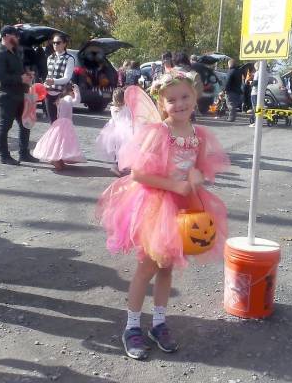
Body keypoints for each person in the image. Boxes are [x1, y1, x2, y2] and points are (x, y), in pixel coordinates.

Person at [96, 70, 229, 360]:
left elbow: (204, 168)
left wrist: (198, 176)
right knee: (147, 268)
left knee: (167, 267)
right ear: (161, 103)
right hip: (156, 206)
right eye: (171, 100)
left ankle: (158, 323)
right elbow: (139, 173)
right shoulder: (159, 133)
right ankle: (131, 327)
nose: (179, 104)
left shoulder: (199, 134)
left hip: (184, 206)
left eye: (185, 97)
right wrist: (175, 184)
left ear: (195, 97)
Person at [0, 25, 37, 165]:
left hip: (20, 94)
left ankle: (24, 153)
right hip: (6, 96)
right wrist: (20, 78)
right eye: (14, 35)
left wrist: (27, 75)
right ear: (5, 36)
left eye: (17, 36)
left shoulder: (15, 53)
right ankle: (4, 155)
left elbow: (18, 72)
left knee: (25, 124)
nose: (17, 38)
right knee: (5, 126)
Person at [33, 83, 86, 170]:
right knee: (62, 142)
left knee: (59, 142)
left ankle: (58, 159)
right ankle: (55, 159)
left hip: (60, 122)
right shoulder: (68, 98)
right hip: (65, 123)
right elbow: (77, 101)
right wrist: (77, 91)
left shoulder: (61, 99)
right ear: (70, 92)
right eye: (73, 92)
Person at [95, 88, 133, 176]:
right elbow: (128, 119)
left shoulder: (112, 108)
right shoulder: (126, 108)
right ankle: (119, 166)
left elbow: (114, 120)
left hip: (115, 131)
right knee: (124, 149)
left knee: (117, 150)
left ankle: (118, 166)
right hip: (125, 131)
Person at [44, 33, 75, 123]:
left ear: (64, 44)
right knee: (52, 122)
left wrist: (53, 81)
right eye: (53, 43)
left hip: (62, 95)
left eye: (58, 42)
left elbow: (67, 78)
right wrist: (45, 83)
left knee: (61, 122)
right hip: (48, 94)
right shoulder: (50, 58)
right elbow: (48, 75)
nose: (55, 45)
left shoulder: (69, 58)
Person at [248, 62, 259, 127]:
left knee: (255, 108)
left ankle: (255, 122)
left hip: (255, 92)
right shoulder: (266, 73)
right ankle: (257, 121)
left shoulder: (257, 73)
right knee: (259, 107)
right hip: (262, 92)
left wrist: (251, 82)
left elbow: (255, 83)